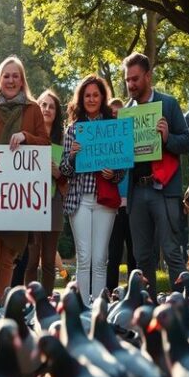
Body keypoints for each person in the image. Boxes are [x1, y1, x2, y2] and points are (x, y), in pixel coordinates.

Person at [0, 57, 49, 300]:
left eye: (15, 75)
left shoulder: (33, 109)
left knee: (7, 259)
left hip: (17, 199)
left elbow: (46, 144)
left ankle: (2, 314)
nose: (11, 80)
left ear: (22, 80)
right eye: (6, 75)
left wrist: (26, 136)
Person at [123, 53, 189, 298]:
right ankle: (147, 310)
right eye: (127, 80)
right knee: (142, 257)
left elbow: (186, 142)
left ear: (148, 77)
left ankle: (185, 307)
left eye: (135, 79)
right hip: (137, 191)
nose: (131, 84)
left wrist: (167, 138)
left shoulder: (168, 104)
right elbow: (123, 155)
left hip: (164, 191)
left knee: (172, 251)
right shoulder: (126, 112)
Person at [60, 76, 125, 302]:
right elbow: (64, 171)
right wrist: (73, 155)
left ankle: (99, 309)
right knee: (84, 258)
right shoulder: (73, 130)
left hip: (104, 201)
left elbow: (121, 169)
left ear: (102, 97)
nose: (91, 99)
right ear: (81, 98)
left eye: (95, 95)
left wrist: (112, 174)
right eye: (87, 95)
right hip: (79, 200)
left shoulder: (113, 128)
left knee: (100, 259)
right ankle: (82, 308)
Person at [25, 89, 66, 294]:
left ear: (56, 112)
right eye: (43, 104)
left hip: (54, 202)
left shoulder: (64, 141)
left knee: (49, 260)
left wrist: (58, 173)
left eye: (51, 106)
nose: (47, 109)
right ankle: (29, 302)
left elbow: (69, 181)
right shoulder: (28, 137)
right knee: (31, 260)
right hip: (30, 203)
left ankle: (47, 301)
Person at [106, 97, 135, 291]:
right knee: (113, 255)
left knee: (134, 254)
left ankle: (134, 293)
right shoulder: (103, 145)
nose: (115, 118)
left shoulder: (133, 141)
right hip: (112, 207)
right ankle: (110, 293)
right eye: (112, 114)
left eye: (119, 114)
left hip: (133, 205)